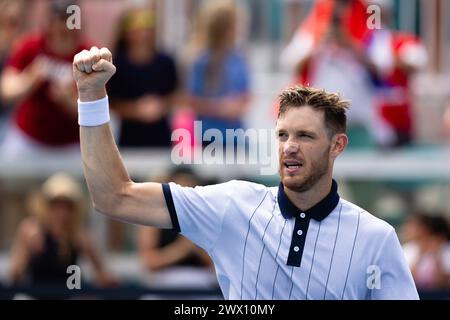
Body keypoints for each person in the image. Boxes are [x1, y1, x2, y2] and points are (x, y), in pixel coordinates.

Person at [72, 47, 418, 299]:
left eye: (305, 136)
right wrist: (91, 96)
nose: (289, 147)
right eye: (282, 135)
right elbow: (113, 196)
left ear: (338, 145)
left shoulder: (377, 238)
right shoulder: (232, 203)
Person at [0, 0, 90, 160]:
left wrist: (68, 101)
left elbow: (98, 111)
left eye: (68, 19)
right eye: (59, 20)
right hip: (28, 140)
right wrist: (30, 79)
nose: (62, 27)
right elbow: (7, 90)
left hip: (71, 145)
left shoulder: (88, 53)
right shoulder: (31, 46)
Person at [9, 172, 117, 296]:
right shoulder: (30, 231)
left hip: (70, 297)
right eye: (55, 205)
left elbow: (102, 274)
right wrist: (27, 251)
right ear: (45, 206)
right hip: (35, 296)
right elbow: (14, 276)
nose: (61, 212)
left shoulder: (79, 235)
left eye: (67, 206)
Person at [107, 6, 178, 148]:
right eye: (136, 27)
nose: (142, 33)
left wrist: (160, 106)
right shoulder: (115, 65)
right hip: (130, 139)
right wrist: (136, 110)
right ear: (125, 32)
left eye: (147, 26)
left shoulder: (166, 62)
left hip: (161, 137)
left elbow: (177, 96)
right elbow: (110, 103)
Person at [185, 0, 251, 148]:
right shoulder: (201, 60)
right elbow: (192, 101)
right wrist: (220, 108)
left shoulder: (239, 59)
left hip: (237, 137)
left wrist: (237, 106)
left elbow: (246, 96)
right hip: (210, 137)